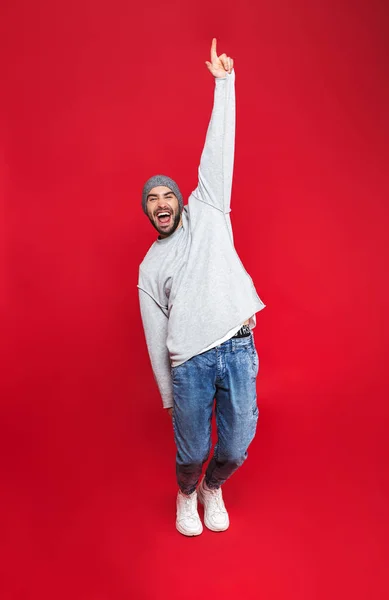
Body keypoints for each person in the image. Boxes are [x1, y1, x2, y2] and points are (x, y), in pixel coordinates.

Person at [138, 39, 265, 536]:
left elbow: (219, 146)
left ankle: (214, 487)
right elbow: (154, 332)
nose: (162, 201)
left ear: (182, 201)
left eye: (169, 193)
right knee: (190, 451)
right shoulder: (150, 266)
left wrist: (224, 83)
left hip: (237, 349)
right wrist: (168, 393)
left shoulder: (209, 210)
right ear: (148, 213)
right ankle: (187, 493)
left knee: (235, 447)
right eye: (153, 199)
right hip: (188, 363)